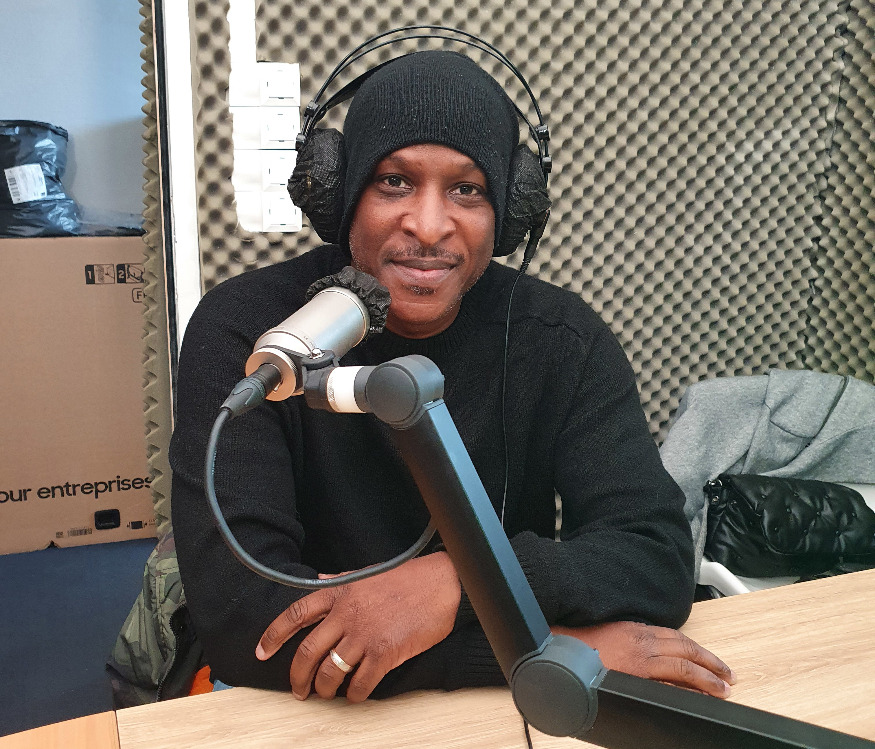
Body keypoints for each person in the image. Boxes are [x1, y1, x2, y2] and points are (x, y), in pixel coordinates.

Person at [170, 50, 735, 706]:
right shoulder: (252, 333)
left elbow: (655, 558)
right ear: (340, 194)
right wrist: (544, 651)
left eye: (466, 189)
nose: (429, 225)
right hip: (302, 712)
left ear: (509, 212)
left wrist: (454, 584)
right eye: (394, 182)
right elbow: (248, 624)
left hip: (497, 715)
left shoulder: (561, 338)